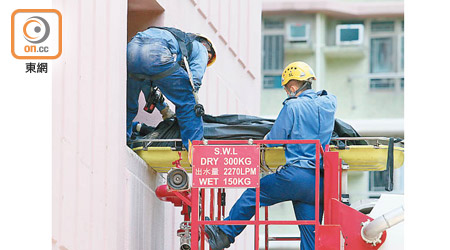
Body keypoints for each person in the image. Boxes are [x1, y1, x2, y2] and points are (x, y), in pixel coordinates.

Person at [204, 61, 337, 250]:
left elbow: (273, 140)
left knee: (254, 194)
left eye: (287, 89)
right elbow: (327, 100)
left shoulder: (292, 107)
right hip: (320, 182)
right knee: (311, 234)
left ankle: (225, 233)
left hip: (296, 175)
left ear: (292, 87)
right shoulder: (329, 103)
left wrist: (266, 138)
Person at [126, 26, 216, 149]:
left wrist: (165, 111)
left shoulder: (177, 40)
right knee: (188, 102)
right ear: (206, 45)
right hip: (158, 51)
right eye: (208, 58)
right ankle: (195, 150)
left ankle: (123, 140)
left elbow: (149, 89)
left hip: (131, 49)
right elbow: (195, 78)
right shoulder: (201, 48)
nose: (206, 60)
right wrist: (192, 97)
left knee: (128, 105)